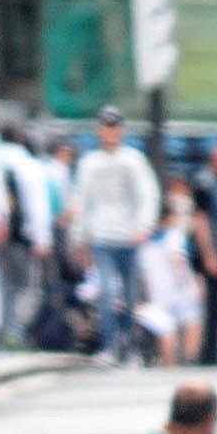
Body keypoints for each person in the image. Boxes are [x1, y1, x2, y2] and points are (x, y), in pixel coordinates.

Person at [73, 107, 161, 361]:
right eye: (106, 127)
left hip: (129, 236)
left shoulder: (133, 160)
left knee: (131, 295)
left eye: (114, 127)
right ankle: (109, 345)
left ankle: (131, 345)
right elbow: (82, 199)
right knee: (107, 293)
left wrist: (144, 225)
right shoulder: (90, 163)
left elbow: (148, 193)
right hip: (102, 235)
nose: (110, 132)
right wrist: (81, 235)